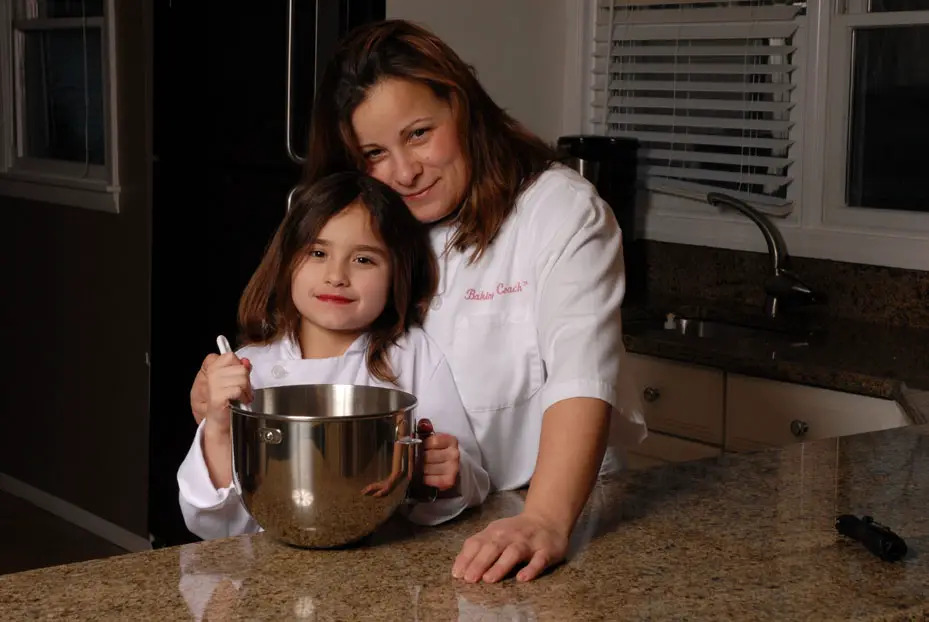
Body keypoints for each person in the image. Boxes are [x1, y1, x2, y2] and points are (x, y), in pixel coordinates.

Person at [189, 19, 647, 582]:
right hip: (435, 530)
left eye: (420, 133)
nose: (404, 172)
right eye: (375, 152)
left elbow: (582, 374)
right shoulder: (383, 225)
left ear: (461, 105)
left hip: (545, 510)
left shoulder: (560, 213)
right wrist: (218, 414)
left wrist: (547, 517)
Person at [177, 171, 491, 538]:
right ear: (287, 261)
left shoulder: (413, 357)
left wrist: (447, 476)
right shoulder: (249, 368)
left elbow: (466, 482)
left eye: (363, 260)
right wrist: (217, 427)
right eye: (318, 253)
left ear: (396, 275)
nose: (337, 276)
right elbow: (216, 525)